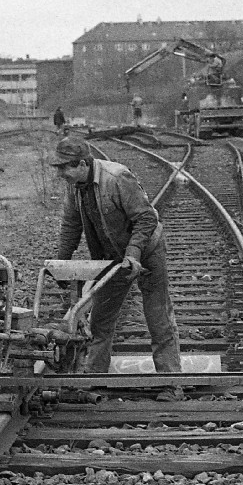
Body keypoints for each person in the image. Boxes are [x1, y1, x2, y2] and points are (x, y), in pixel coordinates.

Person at [51, 135, 181, 376]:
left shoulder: (117, 177)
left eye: (64, 168)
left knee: (158, 318)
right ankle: (95, 378)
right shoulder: (74, 186)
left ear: (82, 164)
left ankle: (172, 382)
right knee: (100, 320)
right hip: (111, 258)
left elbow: (146, 218)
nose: (61, 174)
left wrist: (133, 254)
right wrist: (62, 261)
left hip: (147, 252)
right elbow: (71, 224)